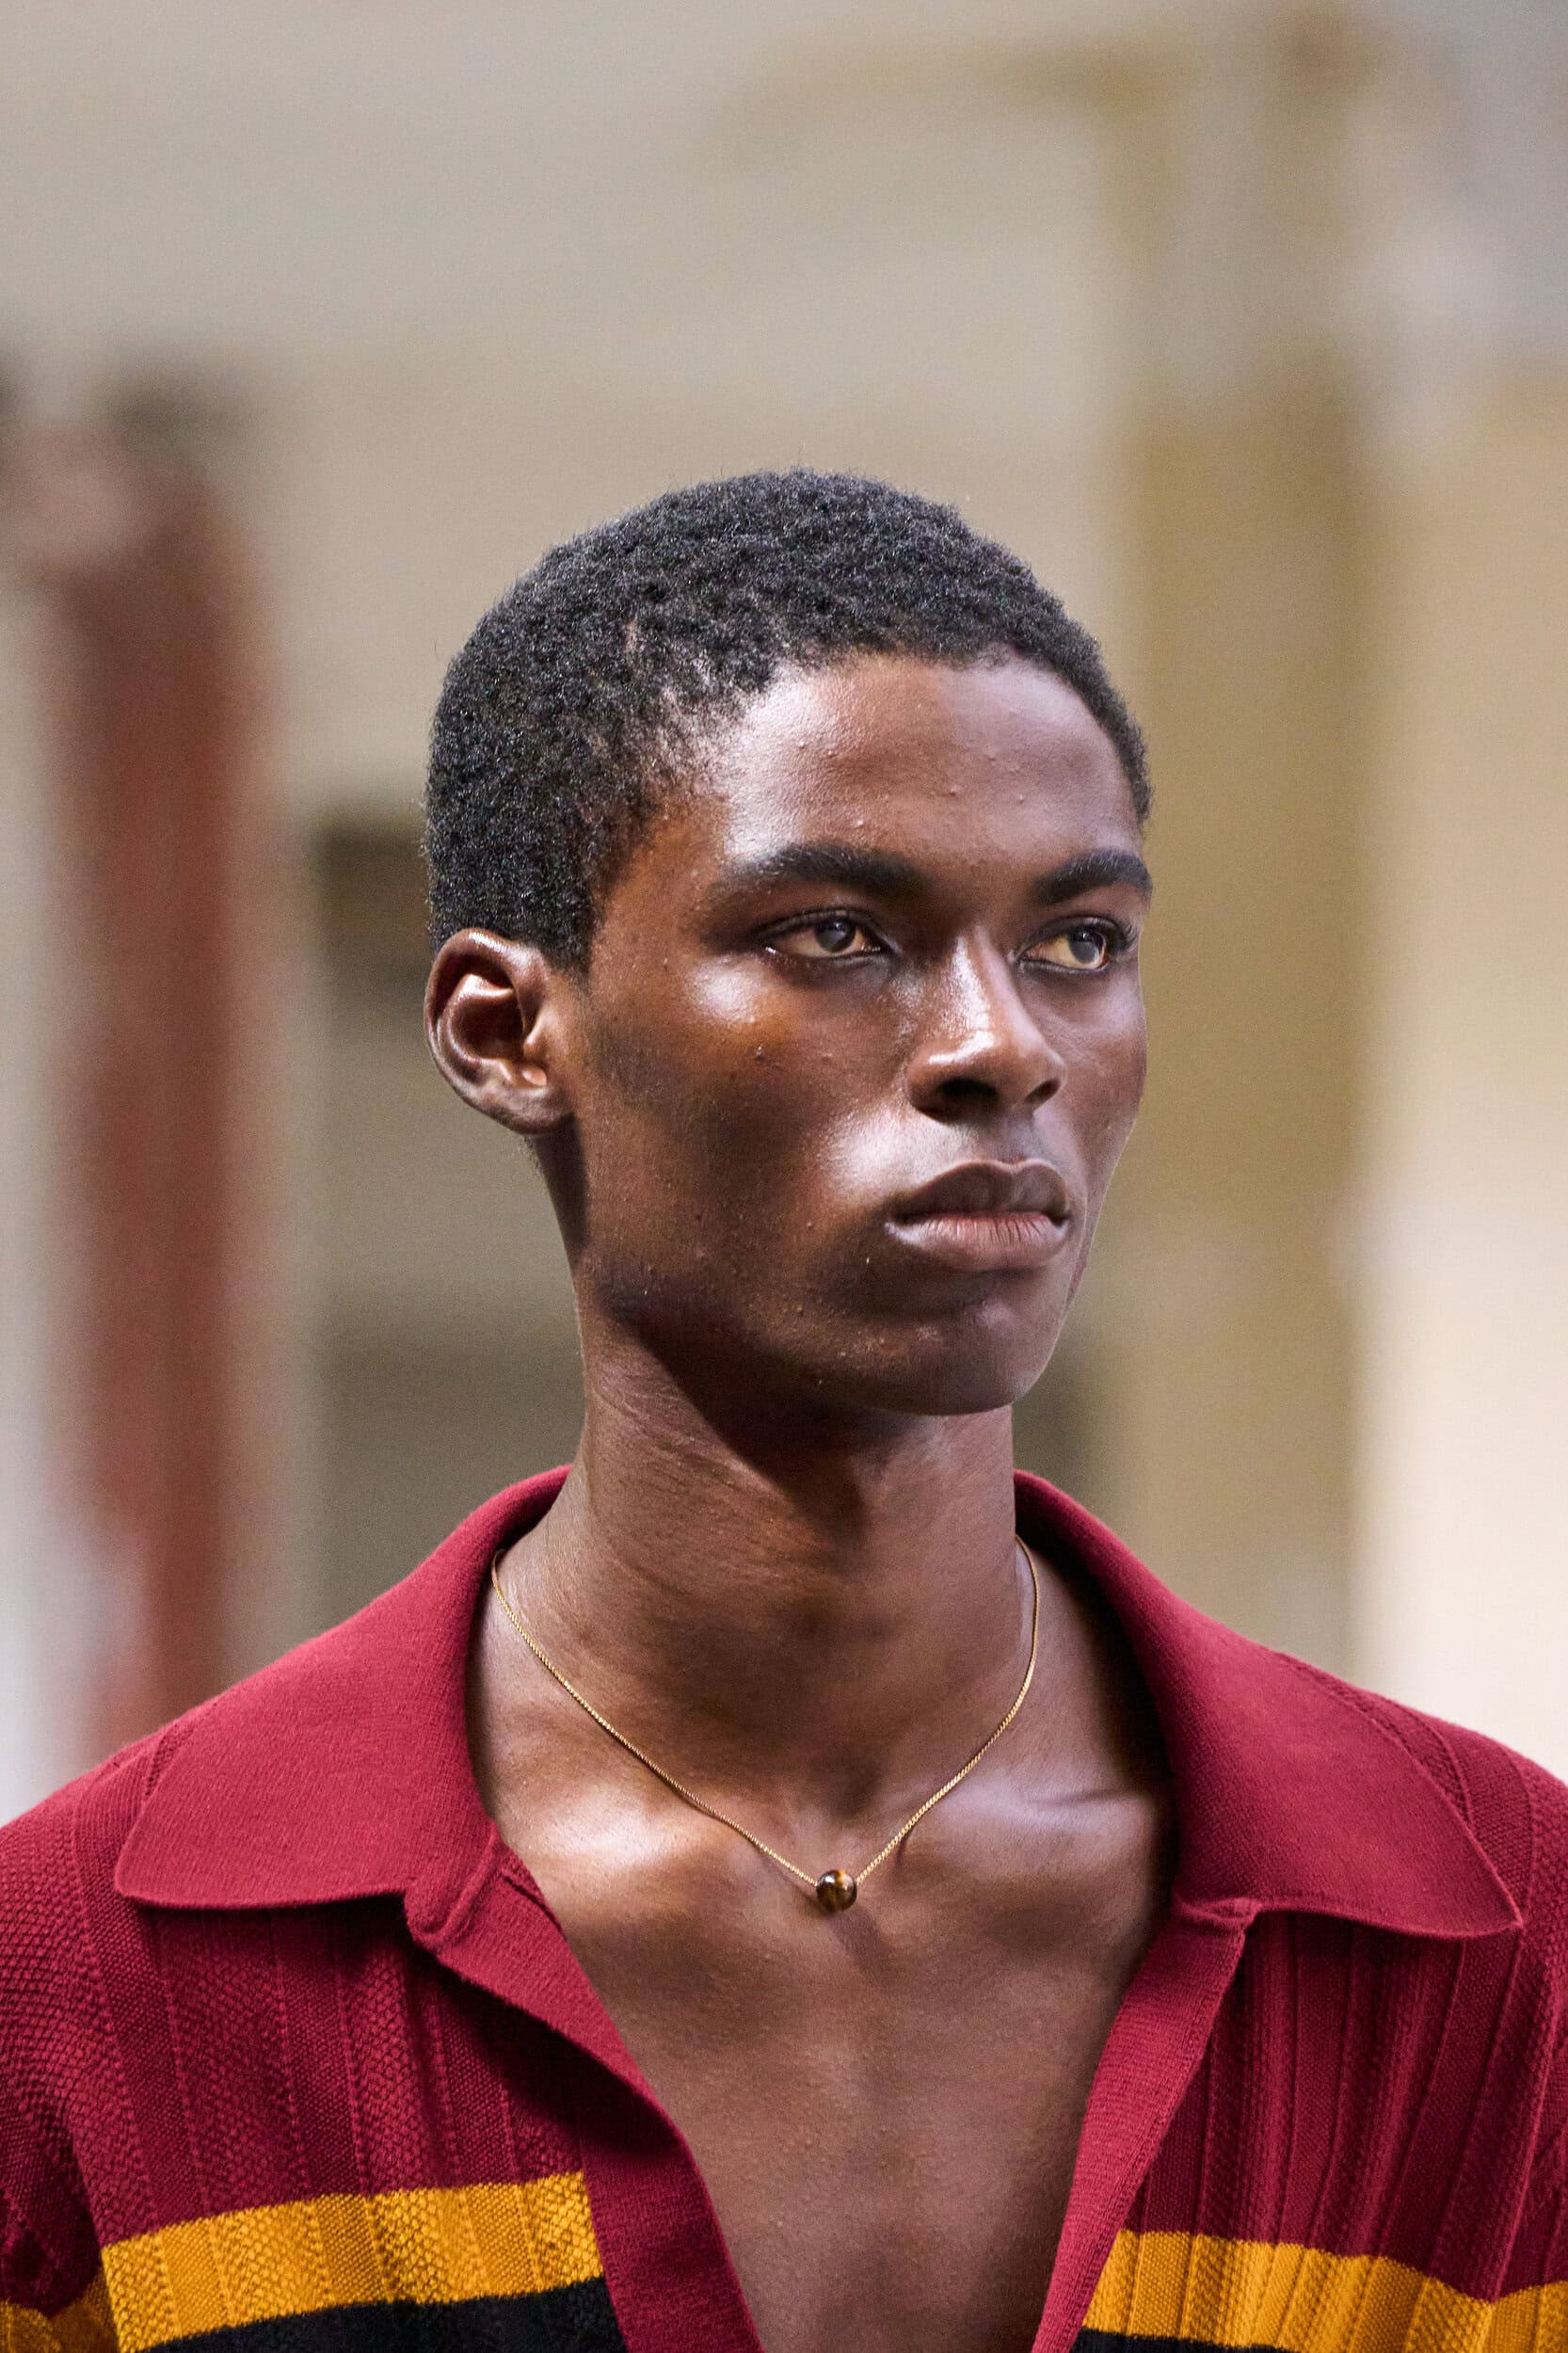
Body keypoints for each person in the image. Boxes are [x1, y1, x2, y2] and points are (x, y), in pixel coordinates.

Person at [2, 472, 1564, 2353]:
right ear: (506, 1032)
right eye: (836, 932)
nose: (1000, 1044)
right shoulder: (80, 1980)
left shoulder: (1506, 1932)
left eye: (1076, 939)